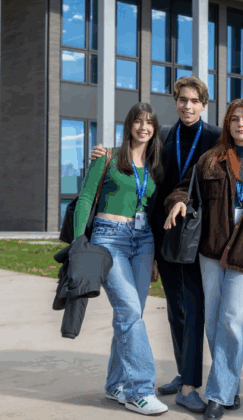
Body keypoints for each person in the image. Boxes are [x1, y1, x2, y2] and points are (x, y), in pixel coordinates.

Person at [90, 76, 243, 414]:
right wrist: (104, 153)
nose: (187, 106)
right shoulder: (163, 135)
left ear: (204, 105)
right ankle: (183, 374)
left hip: (202, 237)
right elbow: (135, 157)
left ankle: (194, 384)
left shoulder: (216, 138)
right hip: (161, 232)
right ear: (175, 101)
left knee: (195, 309)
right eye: (182, 100)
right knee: (176, 310)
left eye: (194, 101)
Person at [164, 98, 243, 420]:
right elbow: (184, 189)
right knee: (214, 320)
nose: (240, 125)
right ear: (227, 124)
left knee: (234, 321)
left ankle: (218, 396)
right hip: (211, 249)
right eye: (234, 119)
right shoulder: (211, 159)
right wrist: (178, 201)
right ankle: (229, 385)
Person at [75, 102, 168, 415]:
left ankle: (116, 384)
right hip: (108, 238)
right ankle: (140, 390)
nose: (144, 127)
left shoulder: (155, 166)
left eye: (149, 122)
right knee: (129, 311)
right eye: (138, 121)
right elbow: (85, 199)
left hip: (143, 242)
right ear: (129, 125)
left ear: (155, 129)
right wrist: (78, 243)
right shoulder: (107, 157)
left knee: (131, 315)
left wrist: (154, 259)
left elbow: (153, 212)